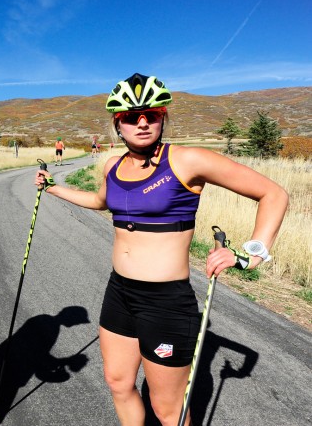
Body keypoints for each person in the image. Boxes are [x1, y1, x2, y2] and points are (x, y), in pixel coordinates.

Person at [34, 73, 288, 425]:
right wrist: (52, 188)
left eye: (151, 114)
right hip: (119, 293)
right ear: (117, 123)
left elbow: (273, 194)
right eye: (130, 116)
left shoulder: (187, 160)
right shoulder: (113, 165)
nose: (142, 122)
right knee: (118, 383)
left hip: (166, 301)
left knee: (168, 410)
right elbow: (99, 201)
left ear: (163, 117)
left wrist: (250, 255)